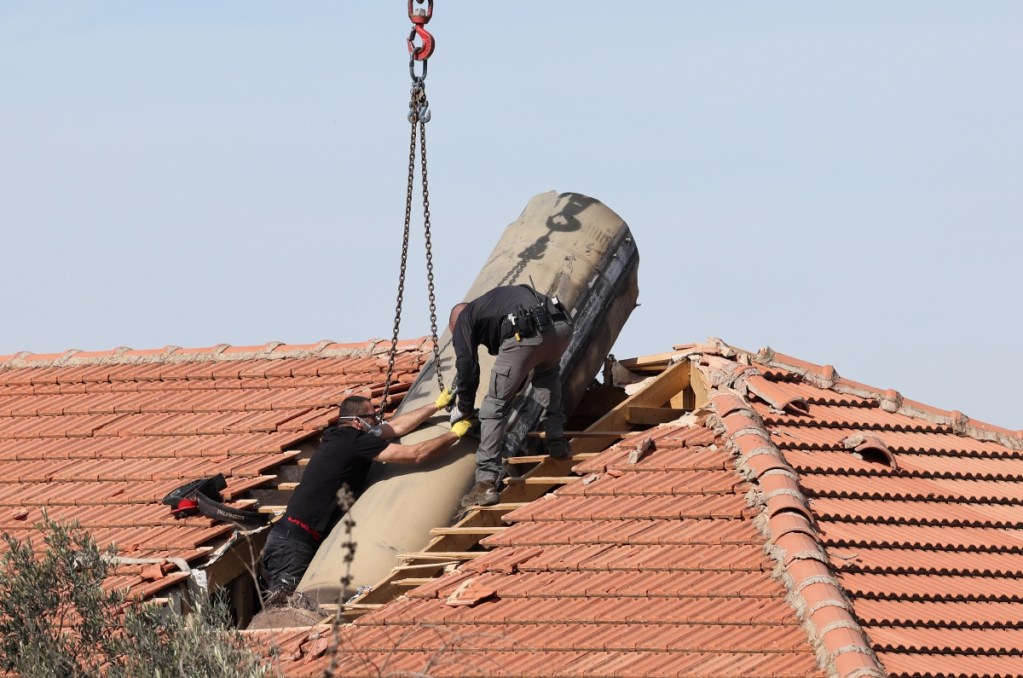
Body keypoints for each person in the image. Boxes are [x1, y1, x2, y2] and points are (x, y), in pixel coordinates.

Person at [259, 391, 467, 605]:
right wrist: (455, 434)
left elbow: (396, 427)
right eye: (373, 417)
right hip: (293, 546)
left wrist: (437, 404)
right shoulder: (354, 443)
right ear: (357, 422)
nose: (378, 420)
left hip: (287, 538)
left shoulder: (338, 436)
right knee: (284, 614)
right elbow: (417, 454)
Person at [448, 284, 574, 507]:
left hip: (528, 333)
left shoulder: (464, 318)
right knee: (547, 375)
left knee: (493, 408)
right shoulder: (496, 304)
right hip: (561, 327)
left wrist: (464, 408)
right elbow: (518, 369)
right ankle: (557, 441)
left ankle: (485, 483)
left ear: (454, 325)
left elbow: (467, 366)